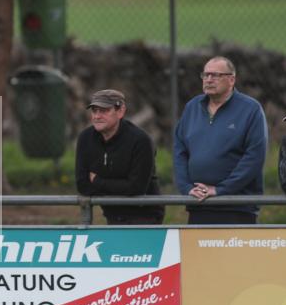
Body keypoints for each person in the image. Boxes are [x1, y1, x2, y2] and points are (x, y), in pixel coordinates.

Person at [174, 56, 267, 224]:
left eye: (216, 75)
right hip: (198, 204)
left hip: (237, 207)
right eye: (206, 75)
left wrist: (221, 190)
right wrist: (187, 188)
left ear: (231, 79)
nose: (209, 80)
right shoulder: (192, 107)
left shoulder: (250, 109)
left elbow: (254, 157)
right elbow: (180, 151)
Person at [74, 90, 164, 225]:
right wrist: (121, 186)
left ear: (121, 111)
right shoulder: (86, 138)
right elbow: (82, 185)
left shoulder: (140, 140)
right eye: (94, 110)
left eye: (104, 110)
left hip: (144, 214)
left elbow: (136, 188)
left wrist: (97, 181)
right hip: (112, 214)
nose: (97, 116)